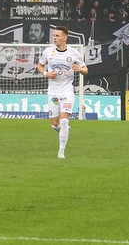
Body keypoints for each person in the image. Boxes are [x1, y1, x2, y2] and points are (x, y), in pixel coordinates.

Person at [37, 25, 87, 159]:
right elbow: (40, 66)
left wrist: (80, 69)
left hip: (67, 91)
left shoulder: (74, 53)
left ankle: (61, 152)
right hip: (53, 92)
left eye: (57, 36)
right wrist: (46, 74)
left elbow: (85, 69)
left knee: (64, 120)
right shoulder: (48, 52)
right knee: (55, 124)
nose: (54, 38)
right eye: (54, 36)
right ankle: (63, 130)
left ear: (65, 38)